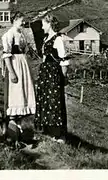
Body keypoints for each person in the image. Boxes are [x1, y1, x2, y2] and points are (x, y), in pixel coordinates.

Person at [34, 13, 69, 143]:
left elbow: (64, 62)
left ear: (49, 24)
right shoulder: (46, 39)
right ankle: (48, 130)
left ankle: (60, 134)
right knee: (45, 102)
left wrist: (62, 77)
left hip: (54, 74)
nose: (42, 27)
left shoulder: (58, 40)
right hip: (45, 74)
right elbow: (44, 58)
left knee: (55, 103)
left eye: (43, 24)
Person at [0, 13, 36, 130]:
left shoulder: (21, 34)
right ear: (15, 20)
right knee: (15, 91)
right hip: (15, 65)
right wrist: (12, 72)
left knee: (23, 91)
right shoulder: (9, 35)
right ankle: (12, 122)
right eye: (21, 21)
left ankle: (20, 121)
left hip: (23, 65)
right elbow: (6, 56)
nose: (23, 23)